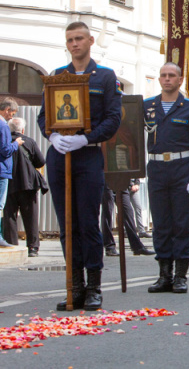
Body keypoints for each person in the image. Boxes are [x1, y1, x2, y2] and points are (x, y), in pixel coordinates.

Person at [37, 21, 122, 311]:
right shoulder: (57, 76)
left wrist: (85, 140)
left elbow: (113, 119)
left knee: (87, 223)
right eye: (70, 39)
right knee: (66, 225)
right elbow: (43, 116)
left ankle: (94, 287)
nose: (74, 44)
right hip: (60, 157)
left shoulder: (106, 77)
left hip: (87, 156)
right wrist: (53, 135)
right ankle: (74, 287)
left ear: (90, 41)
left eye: (79, 39)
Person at [144, 63, 189, 295]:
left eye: (172, 76)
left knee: (182, 224)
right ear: (159, 79)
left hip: (182, 168)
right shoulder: (147, 107)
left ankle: (181, 276)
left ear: (180, 80)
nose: (167, 79)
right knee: (161, 224)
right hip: (157, 168)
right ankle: (164, 275)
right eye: (163, 75)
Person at [4, 117, 45, 256]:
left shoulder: (5, 142)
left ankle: (12, 245)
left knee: (9, 216)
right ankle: (33, 248)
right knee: (31, 216)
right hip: (28, 184)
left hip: (9, 184)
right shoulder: (29, 141)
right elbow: (40, 161)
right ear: (22, 130)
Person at [101, 180, 155, 257]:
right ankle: (109, 247)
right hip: (107, 178)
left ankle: (137, 246)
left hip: (121, 180)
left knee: (128, 211)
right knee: (108, 212)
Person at [0, 102, 25, 248]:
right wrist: (16, 143)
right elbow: (5, 150)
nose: (12, 117)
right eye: (13, 113)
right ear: (7, 110)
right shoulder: (3, 125)